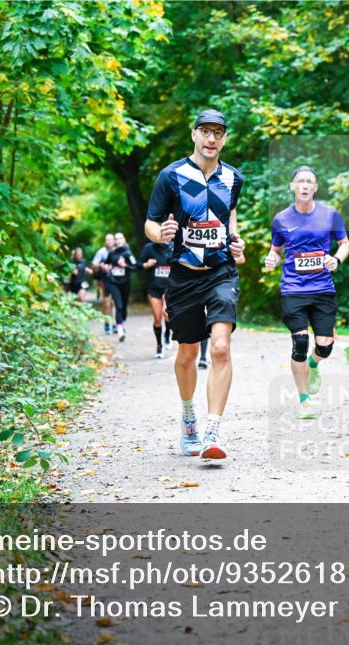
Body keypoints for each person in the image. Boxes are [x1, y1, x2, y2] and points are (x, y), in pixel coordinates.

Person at [144, 109, 245, 460]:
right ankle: (189, 418)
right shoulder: (171, 176)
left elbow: (230, 218)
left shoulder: (234, 178)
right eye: (205, 131)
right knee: (187, 353)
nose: (211, 139)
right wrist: (161, 234)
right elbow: (150, 223)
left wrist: (237, 242)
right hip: (184, 274)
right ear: (194, 135)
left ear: (224, 138)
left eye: (218, 133)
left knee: (220, 348)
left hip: (221, 272)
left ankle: (213, 431)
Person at [264, 165, 349, 419]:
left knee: (325, 346)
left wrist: (336, 259)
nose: (304, 185)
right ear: (292, 186)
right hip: (293, 289)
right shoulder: (281, 219)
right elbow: (275, 250)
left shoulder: (330, 214)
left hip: (323, 289)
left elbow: (345, 244)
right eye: (300, 181)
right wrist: (271, 259)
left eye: (309, 181)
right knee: (300, 343)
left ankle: (313, 365)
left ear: (315, 188)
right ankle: (304, 400)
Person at [140, 239, 174, 358]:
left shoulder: (175, 246)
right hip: (154, 287)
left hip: (169, 287)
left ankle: (167, 333)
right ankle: (159, 345)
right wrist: (147, 264)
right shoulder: (149, 247)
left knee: (166, 313)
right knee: (157, 318)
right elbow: (139, 265)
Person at [102, 232, 138, 342]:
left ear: (124, 239)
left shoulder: (128, 253)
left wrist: (125, 266)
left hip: (125, 283)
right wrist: (105, 267)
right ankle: (120, 331)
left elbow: (135, 267)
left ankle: (122, 324)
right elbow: (105, 263)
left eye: (120, 238)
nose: (118, 240)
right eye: (116, 239)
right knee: (119, 306)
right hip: (114, 283)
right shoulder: (111, 253)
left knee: (124, 308)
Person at [92, 233, 116, 334]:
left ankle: (115, 324)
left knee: (114, 303)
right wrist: (101, 265)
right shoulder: (101, 252)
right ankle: (107, 324)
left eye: (111, 239)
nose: (109, 241)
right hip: (105, 280)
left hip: (117, 280)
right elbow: (93, 265)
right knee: (106, 303)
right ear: (105, 241)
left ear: (114, 241)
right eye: (107, 240)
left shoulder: (117, 250)